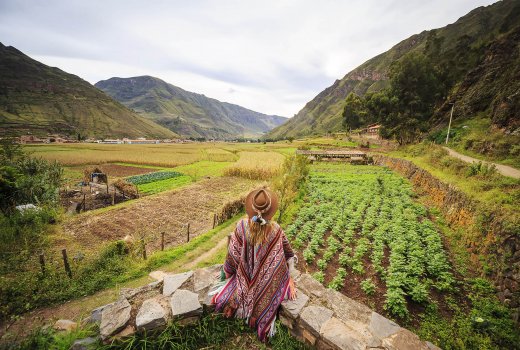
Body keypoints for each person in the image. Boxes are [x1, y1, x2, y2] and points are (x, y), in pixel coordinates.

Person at [211, 187, 297, 342]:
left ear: (251, 208)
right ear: (270, 211)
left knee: (233, 288)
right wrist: (289, 277)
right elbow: (288, 254)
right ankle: (257, 315)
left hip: (244, 279)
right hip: (267, 282)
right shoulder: (276, 230)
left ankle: (236, 307)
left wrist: (228, 274)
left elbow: (232, 256)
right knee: (270, 286)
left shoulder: (241, 226)